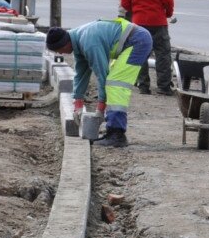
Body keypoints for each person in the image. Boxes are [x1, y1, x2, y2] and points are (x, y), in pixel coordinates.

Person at [46, 19, 153, 148]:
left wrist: (100, 109)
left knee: (115, 84)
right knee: (112, 82)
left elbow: (102, 75)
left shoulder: (89, 43)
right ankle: (112, 130)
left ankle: (117, 135)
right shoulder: (78, 41)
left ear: (65, 43)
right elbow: (80, 75)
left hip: (137, 41)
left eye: (59, 49)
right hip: (132, 40)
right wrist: (78, 103)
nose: (60, 53)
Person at [120, 0, 175, 95]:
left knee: (140, 53)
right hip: (158, 21)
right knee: (162, 53)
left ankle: (143, 85)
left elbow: (125, 2)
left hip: (138, 23)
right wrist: (167, 14)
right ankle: (163, 86)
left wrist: (136, 12)